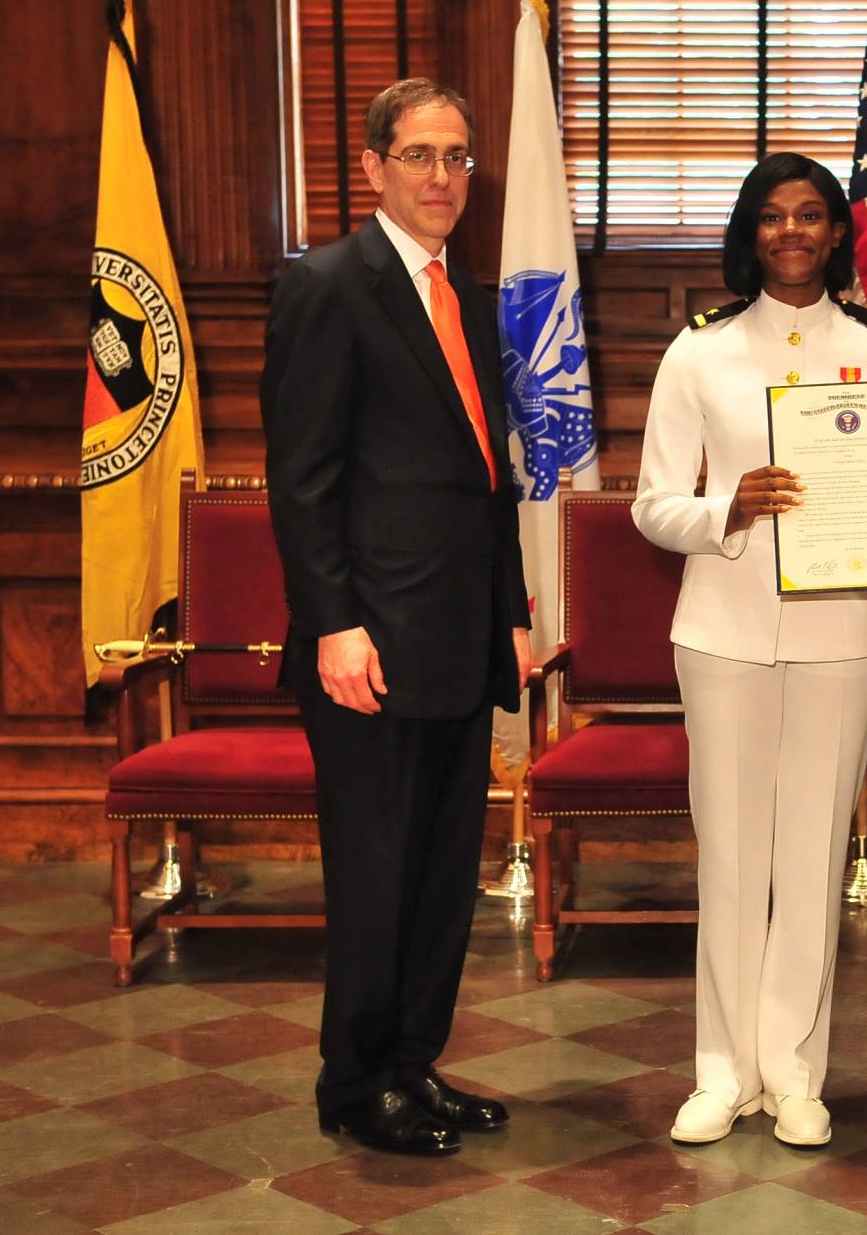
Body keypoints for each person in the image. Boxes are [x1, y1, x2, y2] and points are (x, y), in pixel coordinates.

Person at [633, 152, 867, 1149]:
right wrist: (730, 507)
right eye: (772, 218)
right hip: (721, 633)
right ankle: (720, 1073)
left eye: (810, 215)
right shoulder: (700, 353)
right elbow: (652, 506)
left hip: (842, 635)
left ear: (837, 231)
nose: (792, 233)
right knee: (729, 857)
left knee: (810, 859)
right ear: (750, 233)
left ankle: (797, 1074)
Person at [262, 78, 530, 1157]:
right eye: (419, 155)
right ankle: (353, 1079)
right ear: (372, 167)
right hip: (368, 643)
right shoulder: (328, 284)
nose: (441, 176)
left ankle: (414, 1064)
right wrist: (333, 622)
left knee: (439, 873)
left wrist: (510, 611)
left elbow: (486, 477)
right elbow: (303, 476)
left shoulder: (465, 295)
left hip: (463, 637)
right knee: (375, 873)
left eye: (458, 157)